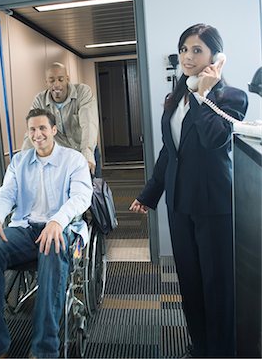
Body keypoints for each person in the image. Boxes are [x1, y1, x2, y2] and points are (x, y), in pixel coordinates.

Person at [129, 24, 248, 358]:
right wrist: (151, 192)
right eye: (184, 49)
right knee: (190, 283)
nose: (188, 56)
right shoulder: (175, 98)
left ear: (216, 56)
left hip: (214, 207)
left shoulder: (233, 97)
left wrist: (202, 95)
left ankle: (222, 352)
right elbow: (170, 151)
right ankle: (200, 346)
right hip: (180, 206)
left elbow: (214, 139)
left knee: (217, 286)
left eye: (197, 50)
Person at [0, 108, 93, 359]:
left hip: (61, 229)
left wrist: (57, 221)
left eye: (42, 129)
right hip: (25, 229)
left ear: (54, 130)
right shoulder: (19, 162)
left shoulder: (73, 160)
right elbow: (6, 194)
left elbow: (81, 197)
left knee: (51, 247)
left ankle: (44, 348)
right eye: (32, 130)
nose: (37, 135)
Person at [22, 62, 100, 176]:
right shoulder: (40, 100)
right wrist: (23, 161)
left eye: (60, 79)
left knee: (94, 190)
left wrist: (87, 155)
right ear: (46, 82)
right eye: (52, 80)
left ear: (67, 79)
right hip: (63, 157)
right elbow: (32, 130)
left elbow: (89, 123)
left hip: (86, 149)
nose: (56, 84)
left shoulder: (83, 92)